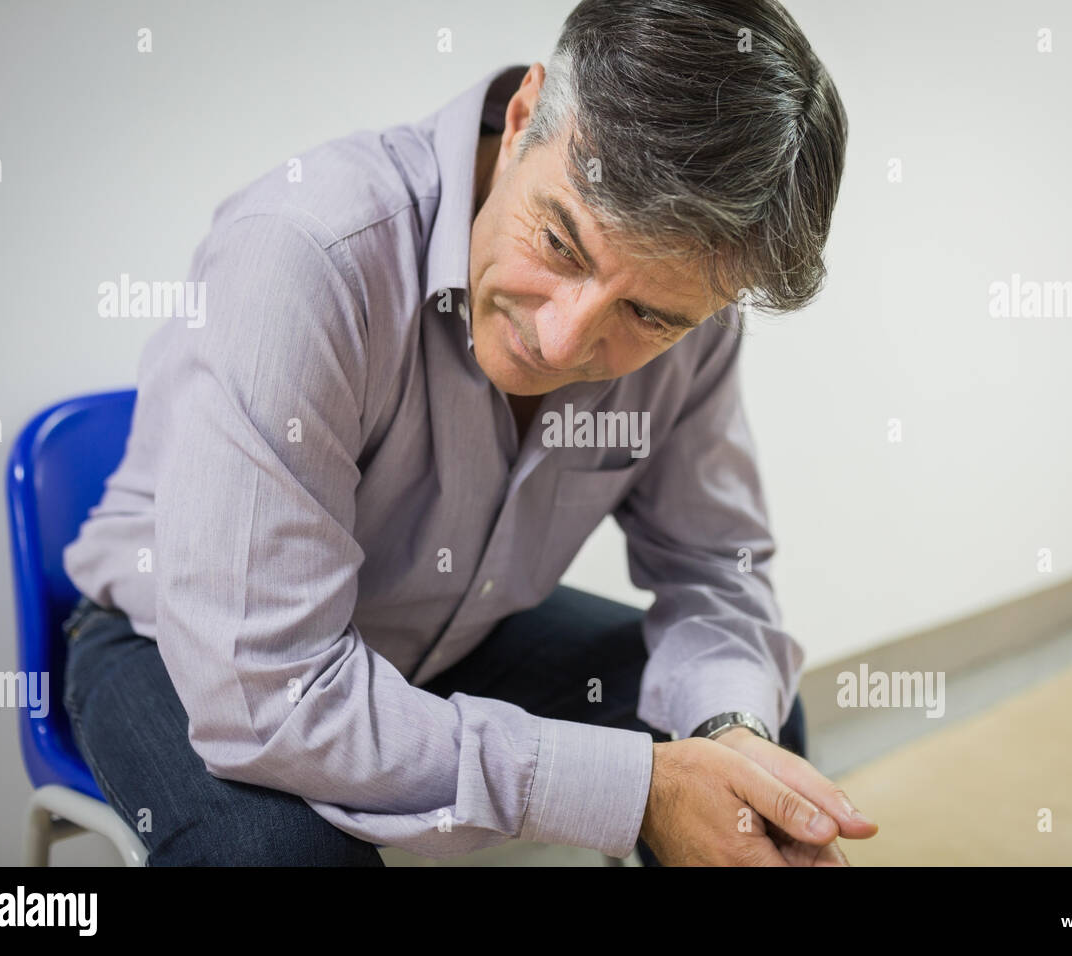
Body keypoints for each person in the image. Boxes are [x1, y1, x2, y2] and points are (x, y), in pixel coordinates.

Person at [62, 0, 874, 866]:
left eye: (647, 313)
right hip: (194, 646)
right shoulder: (303, 254)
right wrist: (636, 786)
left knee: (752, 731)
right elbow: (274, 695)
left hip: (449, 635)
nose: (561, 343)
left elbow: (716, 572)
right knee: (274, 856)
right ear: (525, 117)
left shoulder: (698, 328)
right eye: (562, 242)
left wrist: (728, 737)